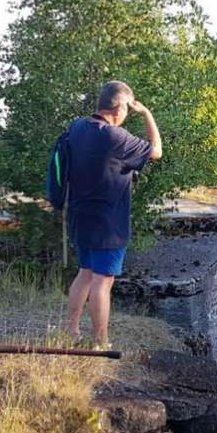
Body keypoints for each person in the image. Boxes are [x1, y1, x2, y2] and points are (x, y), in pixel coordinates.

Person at [63, 80, 162, 350]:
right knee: (102, 282)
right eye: (128, 110)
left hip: (79, 217)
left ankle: (71, 331)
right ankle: (100, 341)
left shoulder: (77, 128)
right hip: (108, 223)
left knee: (84, 273)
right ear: (119, 108)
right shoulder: (114, 137)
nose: (127, 116)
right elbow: (156, 151)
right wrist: (147, 114)